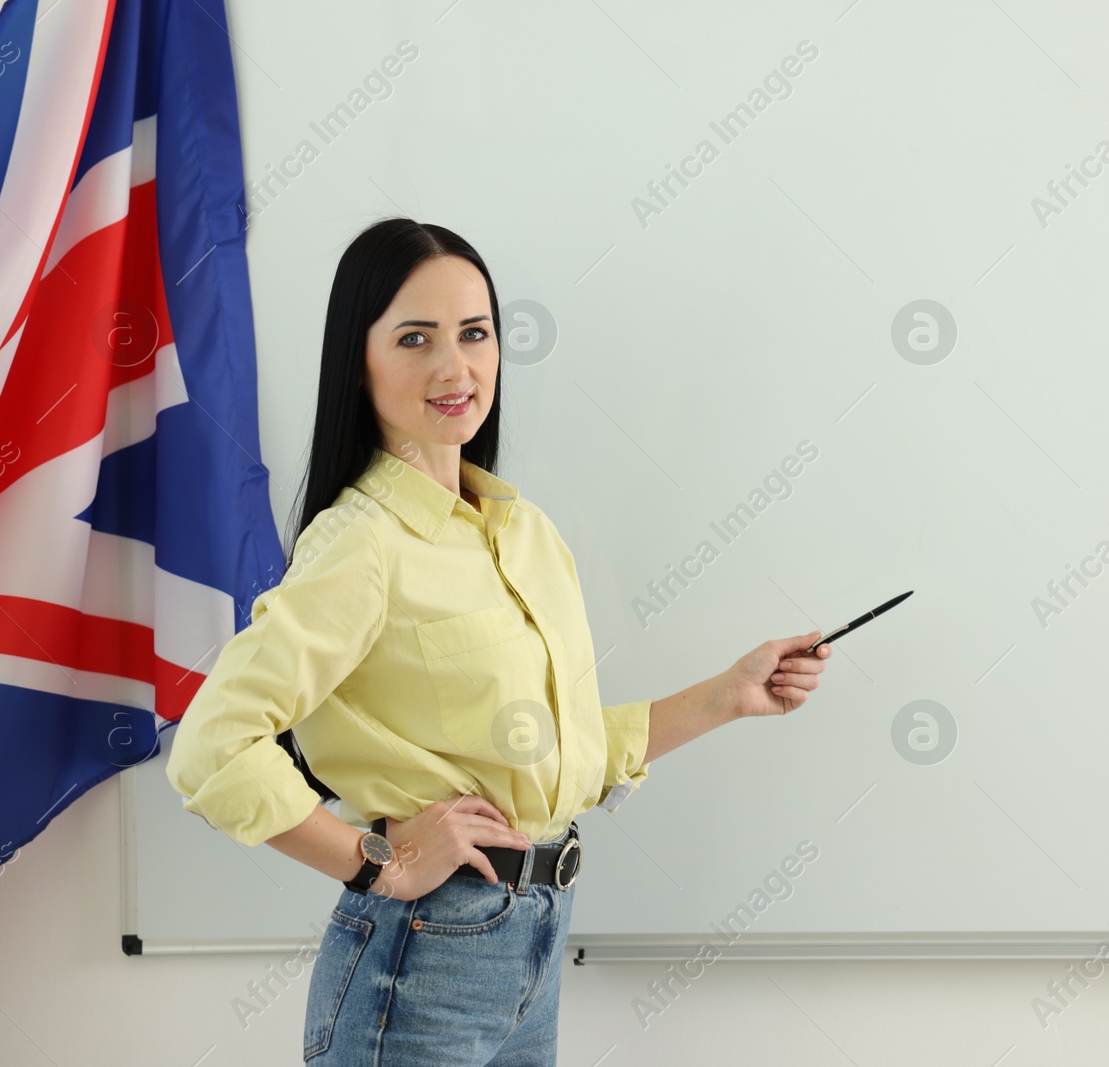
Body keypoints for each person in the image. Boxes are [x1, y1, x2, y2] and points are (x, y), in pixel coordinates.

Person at [164, 217, 833, 1065]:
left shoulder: (524, 534)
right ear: (358, 359)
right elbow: (213, 744)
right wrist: (380, 860)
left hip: (534, 946)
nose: (456, 367)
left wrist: (728, 694)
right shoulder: (360, 544)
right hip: (423, 956)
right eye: (415, 338)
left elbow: (565, 757)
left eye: (474, 334)